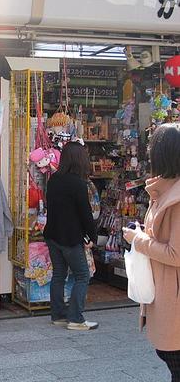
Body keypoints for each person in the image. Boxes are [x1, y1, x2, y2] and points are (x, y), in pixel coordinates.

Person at [123, 123, 180, 382]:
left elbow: (176, 253)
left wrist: (138, 239)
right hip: (165, 295)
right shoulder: (166, 189)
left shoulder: (175, 198)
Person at [43, 142, 98, 331]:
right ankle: (76, 318)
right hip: (70, 238)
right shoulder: (78, 183)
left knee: (59, 274)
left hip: (52, 234)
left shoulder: (54, 180)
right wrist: (92, 236)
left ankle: (58, 315)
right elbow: (86, 214)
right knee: (82, 275)